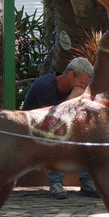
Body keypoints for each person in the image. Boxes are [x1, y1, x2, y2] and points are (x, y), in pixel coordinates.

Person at [22, 57, 97, 200]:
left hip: (62, 128)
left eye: (86, 84)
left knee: (87, 137)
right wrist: (72, 98)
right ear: (70, 75)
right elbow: (52, 119)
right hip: (35, 130)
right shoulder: (45, 86)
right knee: (56, 137)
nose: (83, 86)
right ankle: (56, 183)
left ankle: (87, 182)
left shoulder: (77, 88)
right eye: (81, 82)